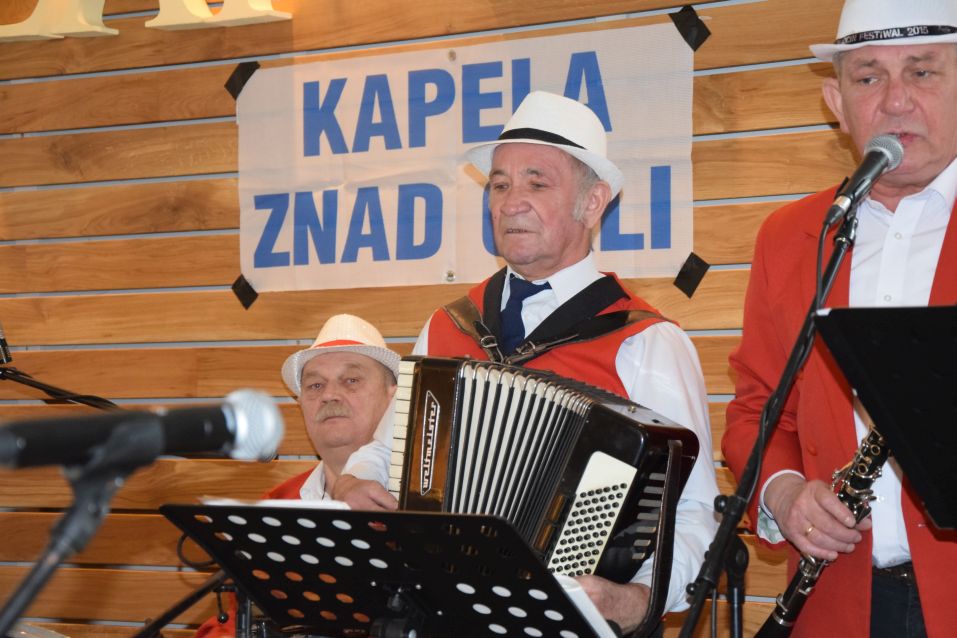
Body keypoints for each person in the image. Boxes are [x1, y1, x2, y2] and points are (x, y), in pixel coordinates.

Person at [334, 90, 720, 634]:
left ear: (593, 203)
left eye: (537, 183)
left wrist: (637, 599)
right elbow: (386, 450)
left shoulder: (646, 341)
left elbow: (695, 509)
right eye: (499, 184)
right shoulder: (447, 326)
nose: (511, 202)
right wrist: (354, 481)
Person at [722, 1, 957, 636]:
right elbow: (757, 407)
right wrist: (784, 493)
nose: (896, 101)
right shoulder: (791, 235)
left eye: (923, 72)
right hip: (838, 602)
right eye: (868, 77)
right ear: (836, 102)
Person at [194, 313, 399, 637]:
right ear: (301, 403)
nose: (329, 395)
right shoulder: (275, 505)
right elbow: (232, 623)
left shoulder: (428, 503)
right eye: (315, 385)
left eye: (351, 380)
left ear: (393, 397)